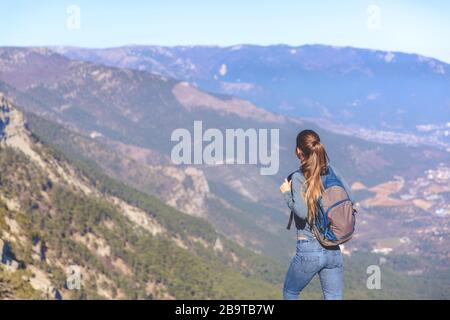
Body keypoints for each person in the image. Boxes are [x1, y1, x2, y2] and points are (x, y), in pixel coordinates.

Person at [279, 129, 354, 300]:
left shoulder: (299, 176)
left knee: (291, 292)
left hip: (309, 249)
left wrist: (286, 193)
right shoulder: (331, 171)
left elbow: (302, 212)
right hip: (333, 248)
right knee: (334, 296)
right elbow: (352, 199)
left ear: (299, 151)